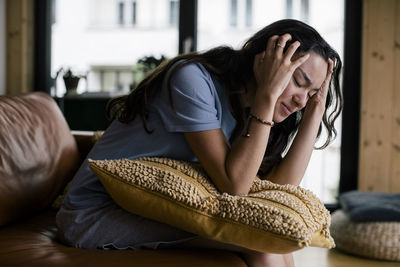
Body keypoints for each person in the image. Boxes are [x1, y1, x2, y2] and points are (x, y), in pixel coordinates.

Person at [56, 19, 343, 267]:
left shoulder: (252, 109)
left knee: (269, 240)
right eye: (298, 81)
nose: (301, 101)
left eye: (313, 92)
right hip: (96, 213)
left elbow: (277, 191)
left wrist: (314, 115)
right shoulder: (193, 80)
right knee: (261, 244)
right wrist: (267, 97)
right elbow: (235, 186)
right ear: (266, 59)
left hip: (154, 207)